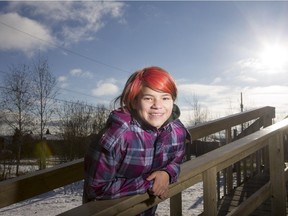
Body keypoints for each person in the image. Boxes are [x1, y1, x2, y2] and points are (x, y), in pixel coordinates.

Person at [83, 66, 191, 215]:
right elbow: (95, 188)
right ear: (134, 102)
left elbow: (176, 161)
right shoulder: (117, 136)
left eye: (165, 98)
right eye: (148, 98)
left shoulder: (177, 131)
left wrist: (167, 173)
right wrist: (150, 183)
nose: (157, 106)